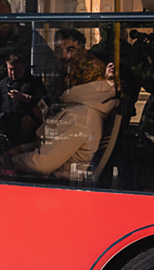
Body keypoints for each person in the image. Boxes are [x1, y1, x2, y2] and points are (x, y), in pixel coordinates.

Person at [8, 31, 117, 180]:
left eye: (70, 50)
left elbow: (43, 163)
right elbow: (57, 143)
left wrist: (10, 161)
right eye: (58, 50)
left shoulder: (81, 114)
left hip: (56, 183)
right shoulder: (86, 105)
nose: (64, 57)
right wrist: (21, 149)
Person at [0, 54, 46, 148]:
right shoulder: (3, 84)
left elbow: (44, 101)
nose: (13, 73)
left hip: (27, 129)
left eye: (16, 70)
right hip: (7, 128)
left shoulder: (34, 82)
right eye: (10, 70)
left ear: (23, 67)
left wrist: (25, 98)